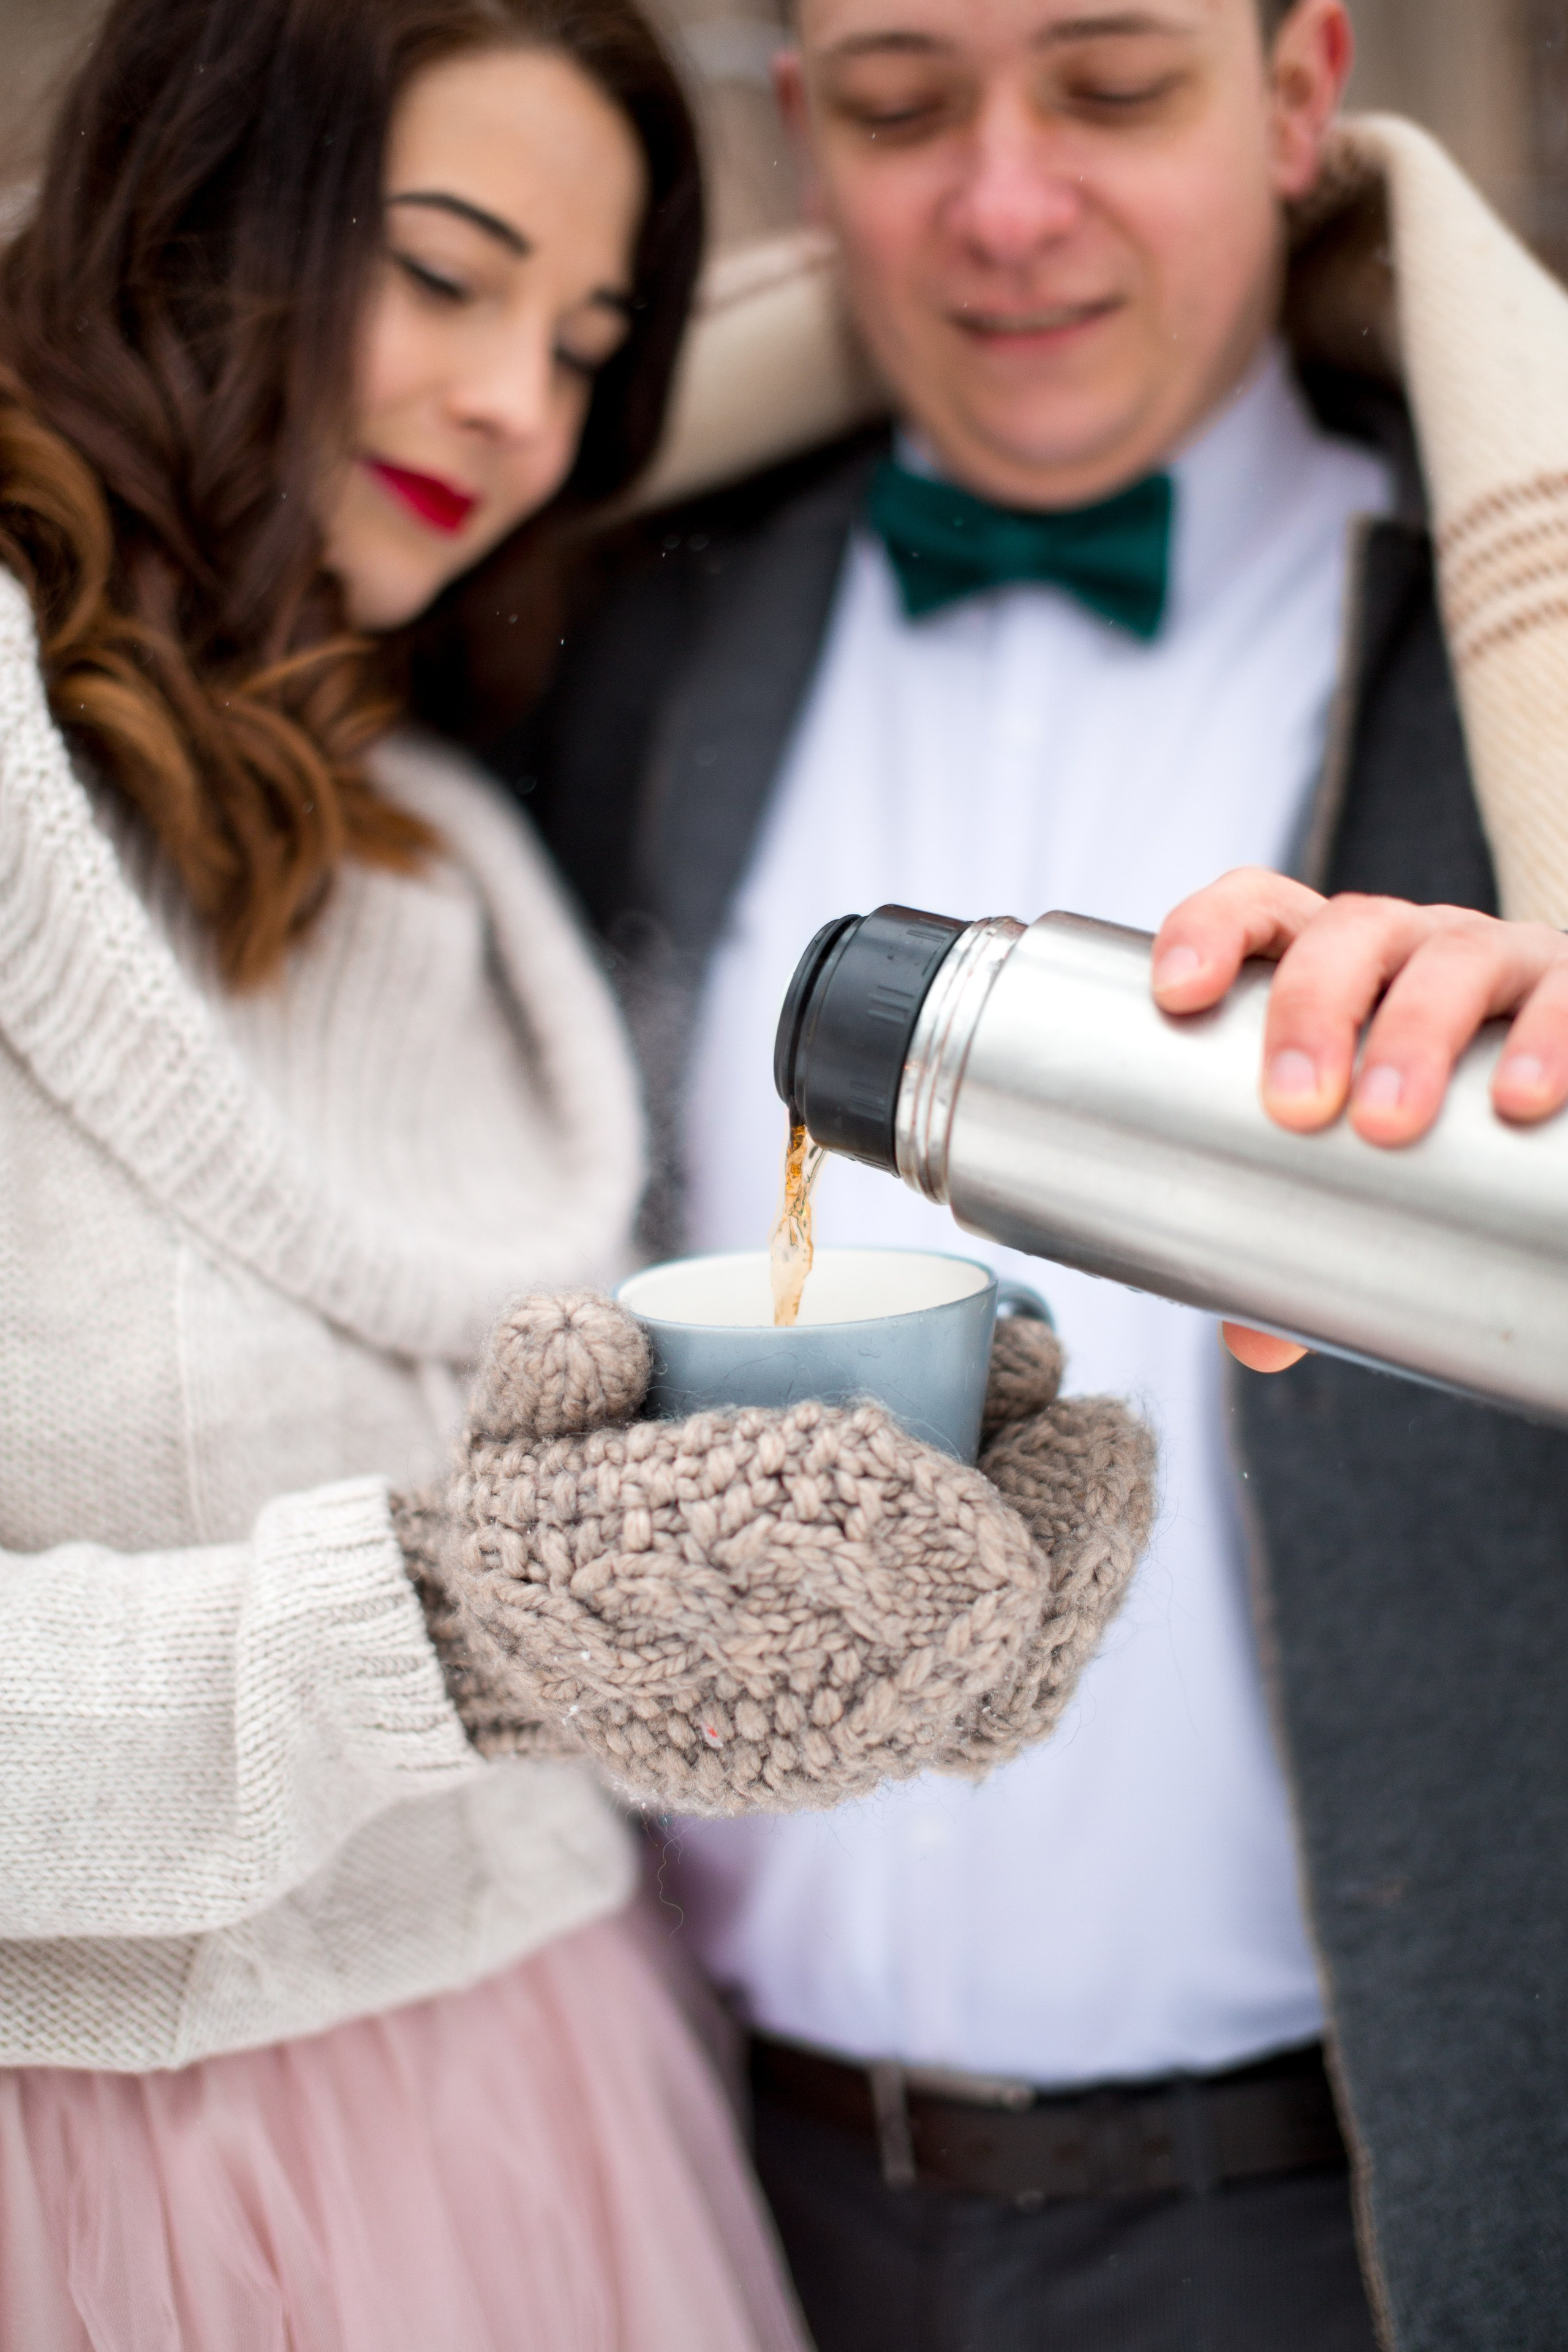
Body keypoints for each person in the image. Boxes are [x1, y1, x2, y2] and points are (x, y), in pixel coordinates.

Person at [0, 0, 1157, 2343]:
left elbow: (546, 1529)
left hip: (556, 2120)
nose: (522, 411)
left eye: (588, 342)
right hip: (112, 2198)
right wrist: (445, 1625)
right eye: (445, 274)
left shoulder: (456, 855)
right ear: (192, 210)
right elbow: (474, 1600)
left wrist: (858, 1570)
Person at [513, 0, 1568, 2344]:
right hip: (703, 2181)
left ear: (1301, 100)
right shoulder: (611, 615)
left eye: (1110, 90)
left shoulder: (1537, 661)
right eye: (902, 107)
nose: (1004, 205)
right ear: (801, 142)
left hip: (1347, 2216)